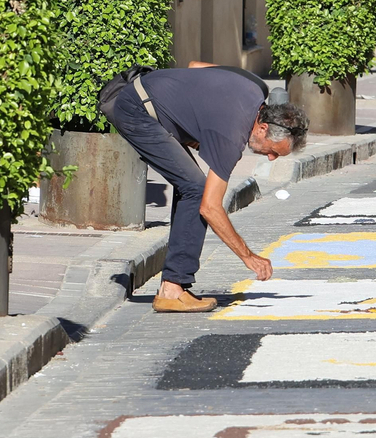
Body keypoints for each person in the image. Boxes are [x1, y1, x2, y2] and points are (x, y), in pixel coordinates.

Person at [100, 64, 308, 312]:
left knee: (191, 185)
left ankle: (173, 283)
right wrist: (248, 256)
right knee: (197, 190)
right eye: (273, 151)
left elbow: (195, 67)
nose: (271, 158)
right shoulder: (231, 136)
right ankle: (172, 289)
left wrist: (193, 117)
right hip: (136, 110)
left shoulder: (255, 86)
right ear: (263, 128)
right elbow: (210, 208)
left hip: (144, 93)